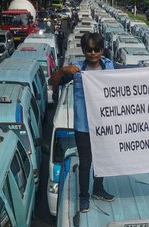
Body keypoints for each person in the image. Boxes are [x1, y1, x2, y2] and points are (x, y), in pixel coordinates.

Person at [49, 32, 115, 213]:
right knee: (85, 163)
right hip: (83, 126)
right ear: (83, 50)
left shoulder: (110, 67)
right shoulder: (75, 70)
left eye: (97, 49)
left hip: (104, 125)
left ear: (102, 50)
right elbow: (51, 82)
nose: (93, 53)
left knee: (102, 160)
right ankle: (84, 196)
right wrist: (62, 71)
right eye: (89, 49)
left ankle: (99, 189)